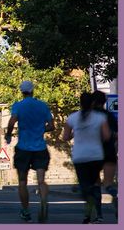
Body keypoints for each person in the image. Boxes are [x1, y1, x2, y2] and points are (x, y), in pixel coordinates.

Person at [6, 80, 55, 223]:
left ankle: (26, 211)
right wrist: (40, 129)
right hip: (40, 148)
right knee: (41, 180)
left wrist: (9, 134)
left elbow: (12, 121)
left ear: (22, 92)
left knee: (22, 181)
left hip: (24, 148)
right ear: (33, 91)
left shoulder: (18, 106)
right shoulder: (42, 106)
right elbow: (51, 126)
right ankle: (44, 199)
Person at [64, 92, 110, 224]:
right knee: (95, 183)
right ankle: (99, 214)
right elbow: (107, 136)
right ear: (92, 103)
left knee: (85, 185)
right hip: (96, 155)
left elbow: (65, 137)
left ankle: (87, 212)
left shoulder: (72, 118)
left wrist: (75, 133)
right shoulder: (100, 117)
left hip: (80, 156)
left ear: (80, 103)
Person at [92, 90, 118, 217]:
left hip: (93, 153)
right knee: (108, 183)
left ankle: (99, 214)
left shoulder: (90, 116)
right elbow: (117, 134)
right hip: (109, 152)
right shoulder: (109, 116)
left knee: (95, 184)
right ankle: (115, 195)